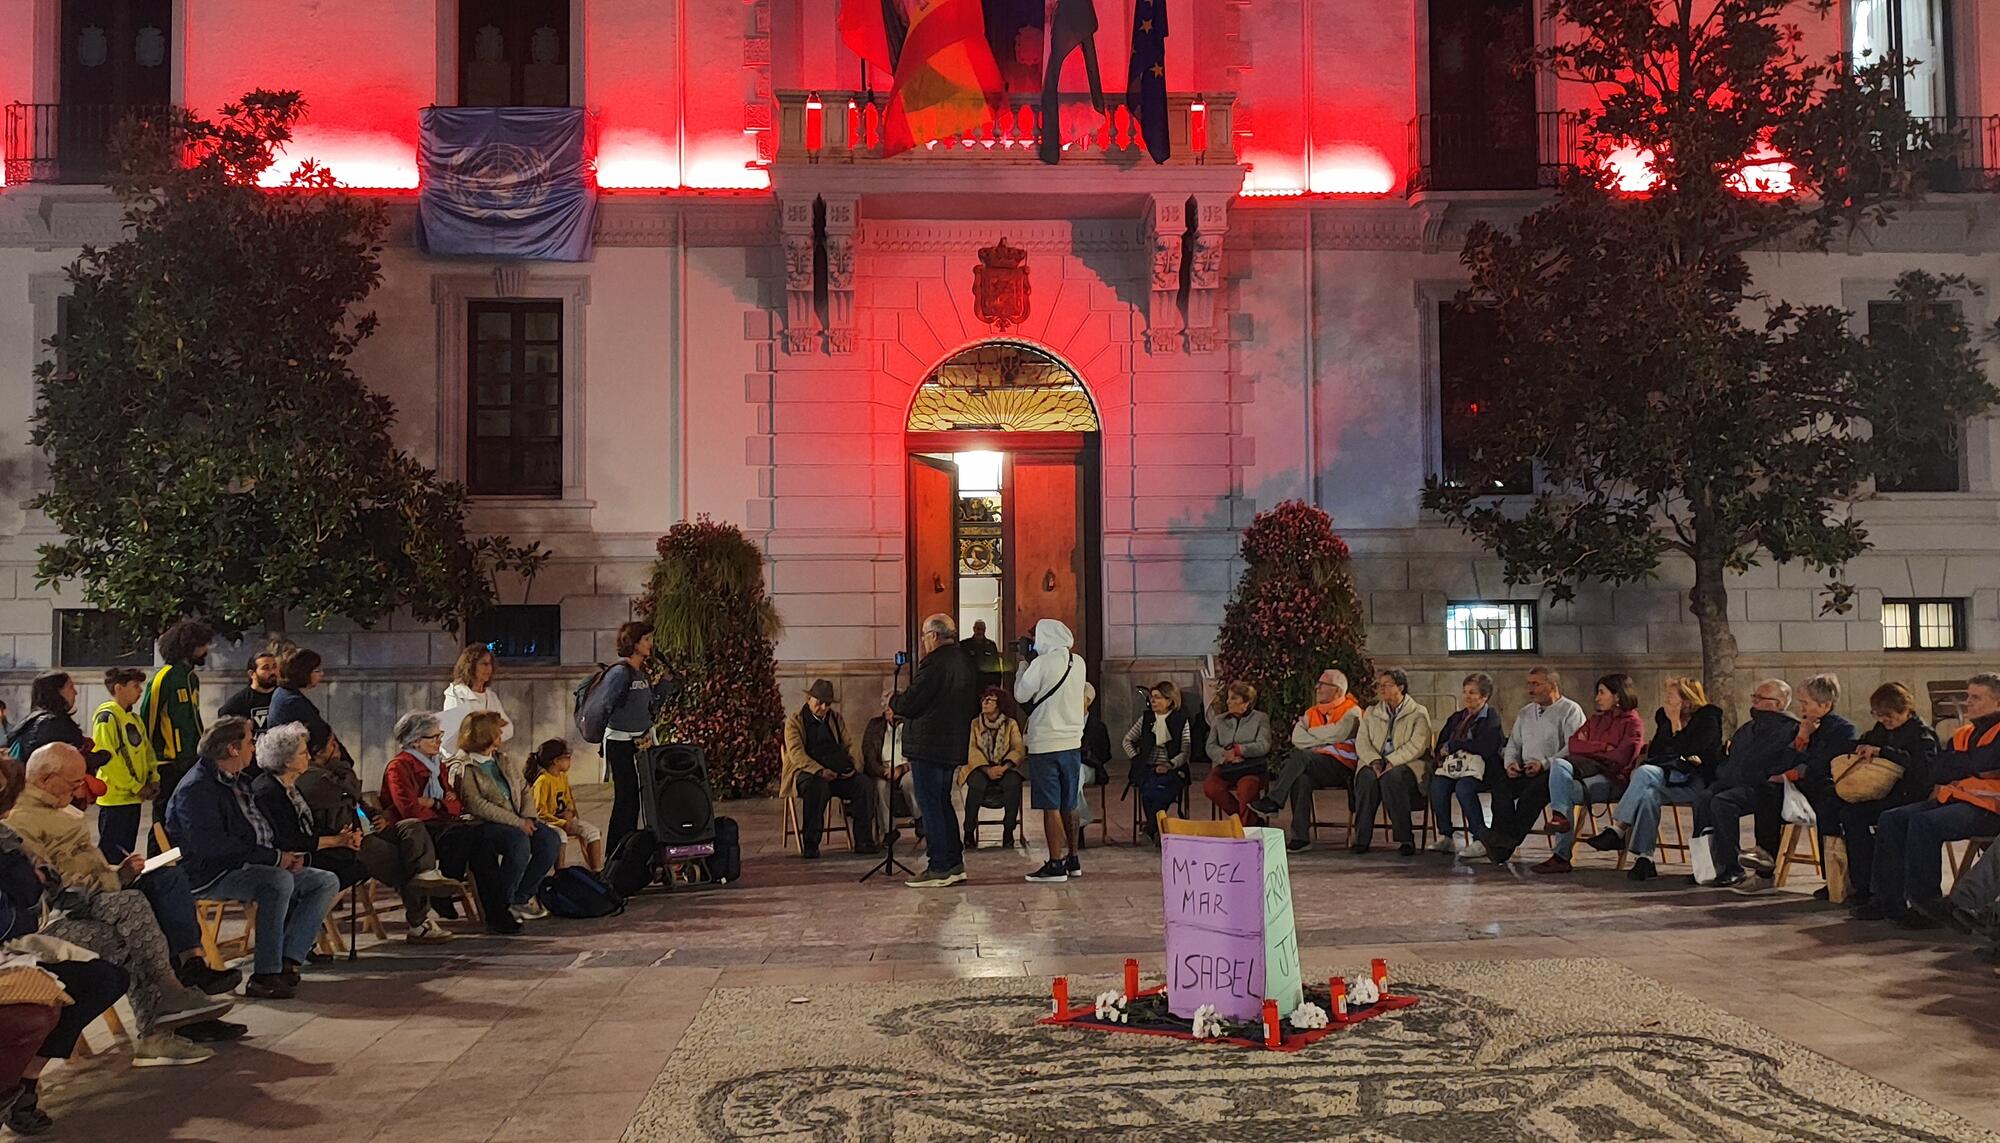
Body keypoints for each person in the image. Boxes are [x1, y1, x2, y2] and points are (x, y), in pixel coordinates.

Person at [7, 747, 239, 1062]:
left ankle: (177, 993)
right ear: (46, 779)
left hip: (93, 898)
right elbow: (51, 884)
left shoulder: (57, 810)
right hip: (56, 917)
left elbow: (80, 865)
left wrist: (118, 872)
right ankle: (165, 1010)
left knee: (155, 894)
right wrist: (112, 880)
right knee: (131, 913)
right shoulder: (21, 821)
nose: (80, 790)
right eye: (74, 783)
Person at [164, 716, 341, 1000]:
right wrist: (273, 859)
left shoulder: (237, 780)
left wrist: (283, 855)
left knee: (325, 881)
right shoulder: (197, 789)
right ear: (233, 749)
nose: (253, 747)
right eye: (249, 742)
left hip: (248, 862)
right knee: (277, 882)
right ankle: (265, 975)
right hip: (210, 872)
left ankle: (288, 960)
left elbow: (255, 829)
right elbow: (213, 846)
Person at [0, 794, 128, 1134]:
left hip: (19, 944)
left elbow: (36, 898)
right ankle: (10, 1089)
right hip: (22, 941)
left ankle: (25, 1083)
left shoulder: (8, 839)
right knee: (37, 1008)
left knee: (104, 978)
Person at [276, 723, 463, 943]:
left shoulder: (332, 771)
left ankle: (425, 875)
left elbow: (357, 799)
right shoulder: (310, 776)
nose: (337, 748)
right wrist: (342, 766)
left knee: (411, 828)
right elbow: (347, 793)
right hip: (347, 838)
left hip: (368, 828)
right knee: (405, 861)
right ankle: (419, 919)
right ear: (319, 750)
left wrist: (378, 816)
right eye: (332, 744)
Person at [1854, 672, 2000, 928]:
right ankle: (1888, 900)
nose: (1968, 702)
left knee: (1924, 823)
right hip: (1955, 798)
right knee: (1892, 819)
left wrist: (1968, 765)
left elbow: (1980, 763)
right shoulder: (1964, 733)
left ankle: (1927, 906)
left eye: (1976, 698)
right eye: (1968, 696)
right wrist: (1973, 767)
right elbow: (1941, 770)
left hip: (1988, 809)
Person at [380, 711, 516, 934]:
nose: (439, 741)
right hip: (416, 832)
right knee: (464, 836)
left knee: (482, 842)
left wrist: (435, 803)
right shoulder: (399, 767)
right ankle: (446, 893)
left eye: (439, 735)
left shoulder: (437, 765)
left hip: (443, 824)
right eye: (433, 737)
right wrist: (441, 804)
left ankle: (496, 912)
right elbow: (410, 809)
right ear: (415, 740)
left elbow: (456, 803)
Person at [1584, 676, 1727, 881]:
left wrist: (1677, 724)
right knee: (1648, 793)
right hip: (1667, 776)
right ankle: (1645, 858)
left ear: (1686, 700)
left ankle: (1619, 829)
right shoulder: (1663, 716)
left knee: (1645, 778)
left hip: (1696, 781)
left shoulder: (1708, 717)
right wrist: (1671, 725)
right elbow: (1657, 752)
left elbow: (1698, 752)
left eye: (1670, 697)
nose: (1665, 702)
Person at [891, 614, 980, 888]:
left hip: (928, 745)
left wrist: (893, 701)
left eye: (924, 635)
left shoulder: (934, 663)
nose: (923, 641)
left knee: (931, 805)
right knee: (942, 802)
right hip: (952, 744)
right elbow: (973, 705)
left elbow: (912, 702)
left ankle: (940, 866)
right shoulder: (965, 661)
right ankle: (953, 862)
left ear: (934, 636)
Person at [451, 711, 562, 924]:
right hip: (484, 824)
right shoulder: (463, 766)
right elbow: (476, 804)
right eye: (497, 732)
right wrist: (518, 823)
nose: (501, 736)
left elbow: (523, 788)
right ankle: (503, 901)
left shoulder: (502, 759)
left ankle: (521, 897)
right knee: (518, 843)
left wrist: (528, 817)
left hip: (518, 819)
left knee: (550, 840)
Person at [1838, 682, 1940, 912]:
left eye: (1890, 716)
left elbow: (1922, 772)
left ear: (1906, 711)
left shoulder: (1922, 735)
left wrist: (1886, 753)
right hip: (1886, 792)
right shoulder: (1882, 729)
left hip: (1911, 795)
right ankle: (1862, 885)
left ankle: (1883, 893)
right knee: (1849, 813)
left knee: (1888, 820)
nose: (1884, 720)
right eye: (1879, 715)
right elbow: (1867, 741)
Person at [1693, 679, 1800, 889]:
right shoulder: (1748, 728)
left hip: (1761, 787)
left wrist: (1755, 776)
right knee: (1704, 798)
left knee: (1723, 803)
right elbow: (1733, 758)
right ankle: (1706, 867)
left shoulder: (1790, 729)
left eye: (1761, 698)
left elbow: (1781, 762)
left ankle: (1732, 867)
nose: (1754, 701)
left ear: (1778, 703)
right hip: (1733, 781)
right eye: (1754, 696)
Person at [1534, 673, 1646, 875]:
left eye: (1602, 693)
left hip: (1613, 780)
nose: (1597, 697)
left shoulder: (1632, 724)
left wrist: (1591, 748)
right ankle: (1560, 817)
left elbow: (1620, 758)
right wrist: (1604, 747)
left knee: (1563, 789)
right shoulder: (1595, 720)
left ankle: (1561, 855)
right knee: (1559, 765)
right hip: (1585, 772)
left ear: (1618, 696)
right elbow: (1574, 745)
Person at [1251, 669, 1363, 852]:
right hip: (1314, 764)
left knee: (1301, 756)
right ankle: (1300, 837)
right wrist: (1326, 737)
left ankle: (1275, 800)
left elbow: (1339, 733)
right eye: (1318, 683)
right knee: (1301, 778)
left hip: (1341, 766)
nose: (1317, 688)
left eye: (1323, 685)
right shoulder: (1312, 712)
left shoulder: (1352, 711)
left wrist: (1312, 735)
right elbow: (1297, 738)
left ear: (1337, 690)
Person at [1485, 667, 1587, 865]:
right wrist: (1511, 763)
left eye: (1535, 684)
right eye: (1528, 684)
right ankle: (1503, 841)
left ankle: (1505, 844)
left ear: (1551, 686)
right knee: (1501, 788)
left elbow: (1573, 747)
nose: (1530, 689)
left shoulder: (1570, 710)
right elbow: (1514, 743)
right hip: (1525, 768)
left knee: (1532, 794)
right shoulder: (1525, 712)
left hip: (1553, 771)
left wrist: (1543, 764)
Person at [1016, 618, 1088, 884]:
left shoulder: (1041, 663)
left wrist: (1022, 664)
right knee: (1069, 802)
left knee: (1050, 805)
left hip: (1046, 742)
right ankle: (1073, 859)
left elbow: (1022, 695)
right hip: (1072, 742)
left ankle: (1055, 863)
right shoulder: (1078, 662)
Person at [579, 621, 657, 860]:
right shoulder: (620, 672)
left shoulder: (640, 672)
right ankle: (616, 853)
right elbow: (605, 704)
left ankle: (630, 851)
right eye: (645, 639)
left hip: (639, 743)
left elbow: (645, 707)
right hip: (620, 742)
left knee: (635, 798)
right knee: (626, 797)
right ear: (633, 644)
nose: (650, 644)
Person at [780, 679, 878, 859]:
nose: (823, 707)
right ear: (809, 698)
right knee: (818, 787)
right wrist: (819, 770)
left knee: (863, 784)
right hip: (807, 773)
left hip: (836, 772)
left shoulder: (835, 718)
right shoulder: (795, 721)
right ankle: (811, 843)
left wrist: (853, 768)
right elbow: (796, 754)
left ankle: (864, 840)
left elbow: (849, 745)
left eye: (827, 703)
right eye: (819, 702)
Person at [142, 618, 214, 850]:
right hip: (167, 762)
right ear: (189, 646)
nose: (206, 650)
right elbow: (147, 720)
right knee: (163, 816)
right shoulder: (164, 678)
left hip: (190, 759)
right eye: (203, 644)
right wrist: (148, 766)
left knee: (185, 814)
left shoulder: (191, 678)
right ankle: (156, 864)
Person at [1350, 668, 1434, 856]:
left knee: (1393, 778)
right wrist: (1374, 761)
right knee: (1365, 778)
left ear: (1401, 687)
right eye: (1380, 685)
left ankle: (1405, 838)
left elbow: (1418, 745)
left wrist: (1390, 761)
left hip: (1407, 764)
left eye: (1386, 685)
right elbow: (1362, 742)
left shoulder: (1418, 712)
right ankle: (1361, 838)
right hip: (1375, 762)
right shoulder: (1371, 712)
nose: (1381, 689)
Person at [1426, 672, 1504, 860]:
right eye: (1465, 692)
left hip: (1481, 769)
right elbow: (1442, 742)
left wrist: (1456, 745)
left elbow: (1486, 747)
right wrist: (1442, 752)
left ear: (1484, 696)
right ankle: (1446, 835)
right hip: (1454, 768)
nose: (1467, 697)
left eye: (1473, 693)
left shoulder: (1491, 718)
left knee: (1464, 788)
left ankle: (1480, 837)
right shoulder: (1457, 718)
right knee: (1437, 785)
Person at [91, 667, 159, 863]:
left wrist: (153, 777)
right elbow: (108, 759)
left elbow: (147, 752)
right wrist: (136, 786)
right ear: (119, 688)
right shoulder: (107, 717)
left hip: (133, 798)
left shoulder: (134, 718)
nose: (140, 691)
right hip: (115, 798)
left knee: (126, 852)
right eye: (135, 686)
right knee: (110, 853)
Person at [1125, 681, 1193, 842]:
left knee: (1162, 790)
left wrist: (1170, 765)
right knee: (1147, 790)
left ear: (1169, 700)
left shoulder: (1181, 719)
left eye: (1158, 697)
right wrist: (1136, 758)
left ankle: (1151, 828)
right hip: (1148, 767)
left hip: (1173, 768)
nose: (1153, 701)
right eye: (1152, 697)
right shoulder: (1146, 718)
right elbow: (1127, 740)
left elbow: (1185, 751)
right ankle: (1156, 828)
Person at [960, 688, 1026, 851]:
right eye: (983, 700)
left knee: (1013, 782)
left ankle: (1008, 830)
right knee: (976, 783)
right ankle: (969, 830)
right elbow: (972, 749)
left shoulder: (1011, 724)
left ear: (999, 704)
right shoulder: (975, 723)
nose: (985, 703)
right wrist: (986, 769)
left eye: (989, 700)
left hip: (1004, 767)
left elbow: (1018, 748)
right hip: (981, 767)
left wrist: (1004, 767)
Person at [7, 671, 112, 773]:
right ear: (57, 692)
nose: (76, 692)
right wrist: (98, 757)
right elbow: (59, 764)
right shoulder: (51, 723)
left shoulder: (32, 720)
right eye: (70, 687)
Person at [528, 739, 605, 873]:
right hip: (549, 823)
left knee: (592, 832)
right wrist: (561, 822)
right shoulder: (543, 781)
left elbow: (568, 801)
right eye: (567, 758)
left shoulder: (562, 777)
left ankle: (597, 871)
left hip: (566, 820)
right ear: (556, 761)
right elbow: (540, 813)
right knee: (560, 836)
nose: (569, 761)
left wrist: (570, 813)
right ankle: (561, 873)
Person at [1203, 682, 1273, 827]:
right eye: (1228, 698)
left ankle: (1245, 829)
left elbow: (1263, 745)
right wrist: (1225, 755)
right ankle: (1249, 822)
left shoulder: (1260, 718)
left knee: (1246, 789)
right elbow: (1210, 747)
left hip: (1249, 767)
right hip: (1226, 765)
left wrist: (1240, 750)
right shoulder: (1219, 720)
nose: (1228, 702)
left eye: (1234, 698)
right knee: (1211, 787)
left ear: (1246, 702)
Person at [861, 694, 918, 843]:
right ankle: (889, 830)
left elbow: (919, 755)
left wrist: (903, 768)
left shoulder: (912, 725)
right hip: (883, 770)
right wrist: (881, 771)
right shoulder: (875, 725)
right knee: (879, 786)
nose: (887, 710)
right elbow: (868, 754)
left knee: (910, 781)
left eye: (890, 706)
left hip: (906, 769)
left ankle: (920, 819)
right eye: (885, 706)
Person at [440, 643, 514, 751]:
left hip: (487, 756)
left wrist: (486, 737)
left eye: (490, 664)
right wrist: (491, 731)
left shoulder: (491, 696)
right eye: (484, 664)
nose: (489, 668)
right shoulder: (457, 694)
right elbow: (455, 733)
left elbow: (508, 729)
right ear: (471, 666)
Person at [267, 647, 336, 756]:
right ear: (304, 672)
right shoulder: (292, 701)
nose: (322, 674)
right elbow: (319, 735)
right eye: (317, 670)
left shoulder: (285, 693)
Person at [1078, 681, 1112, 849]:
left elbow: (1105, 754)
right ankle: (1079, 821)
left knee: (1075, 774)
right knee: (1072, 777)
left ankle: (1078, 822)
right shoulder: (1065, 724)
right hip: (1070, 768)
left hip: (1091, 768)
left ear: (1088, 701)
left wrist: (1088, 757)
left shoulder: (1098, 726)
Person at [217, 651, 280, 733]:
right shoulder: (241, 700)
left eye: (274, 667)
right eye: (266, 668)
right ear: (252, 674)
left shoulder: (284, 695)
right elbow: (223, 719)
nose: (272, 672)